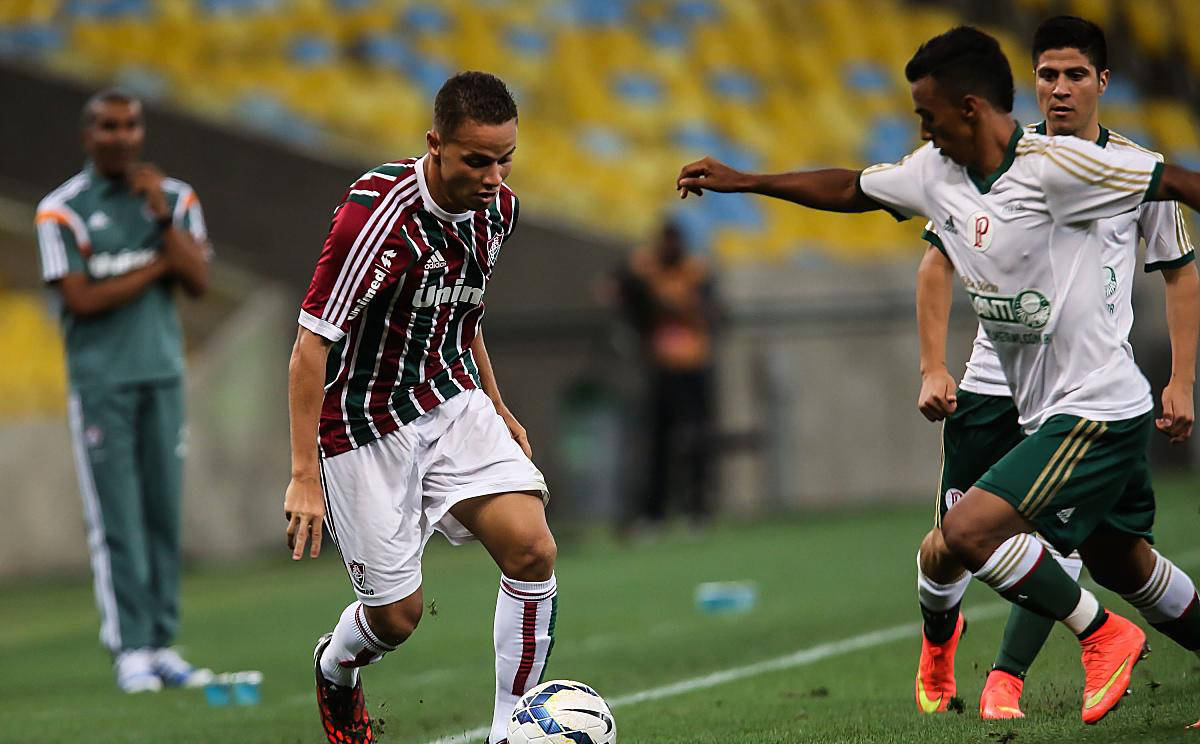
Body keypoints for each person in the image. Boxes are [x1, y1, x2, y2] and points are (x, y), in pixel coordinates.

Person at [676, 26, 1200, 726]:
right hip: (1018, 398)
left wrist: (1182, 379)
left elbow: (1177, 188)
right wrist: (747, 181)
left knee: (972, 532)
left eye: (929, 115)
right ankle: (963, 644)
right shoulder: (938, 171)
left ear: (971, 108)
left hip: (1097, 406)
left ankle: (1088, 643)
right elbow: (852, 187)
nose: (921, 129)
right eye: (1047, 74)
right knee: (1118, 562)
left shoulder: (1066, 168)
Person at [912, 16, 1198, 720]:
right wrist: (933, 366)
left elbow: (1180, 272)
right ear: (1031, 82)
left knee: (1109, 556)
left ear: (1103, 81)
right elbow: (936, 262)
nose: (1060, 88)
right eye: (1048, 75)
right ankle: (941, 644)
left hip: (1090, 392)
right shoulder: (991, 160)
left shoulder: (1136, 169)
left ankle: (1018, 675)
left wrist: (1181, 379)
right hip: (993, 388)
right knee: (949, 546)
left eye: (1076, 75)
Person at [284, 71, 557, 744]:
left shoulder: (499, 211)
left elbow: (464, 310)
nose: (493, 177)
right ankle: (336, 666)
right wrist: (303, 475)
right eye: (477, 160)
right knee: (396, 619)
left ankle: (509, 730)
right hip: (364, 424)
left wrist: (497, 403)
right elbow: (310, 346)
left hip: (450, 397)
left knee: (532, 550)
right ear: (435, 144)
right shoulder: (374, 214)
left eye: (505, 159)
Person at [35, 89, 213, 693]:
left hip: (162, 376)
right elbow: (81, 299)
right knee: (117, 519)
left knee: (163, 513)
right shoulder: (62, 210)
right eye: (108, 127)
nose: (121, 136)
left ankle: (162, 643)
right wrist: (159, 264)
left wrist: (161, 220)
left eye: (131, 125)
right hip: (102, 384)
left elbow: (199, 280)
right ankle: (130, 647)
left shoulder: (176, 199)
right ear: (88, 136)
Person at [617, 222, 716, 528]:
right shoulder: (647, 270)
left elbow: (706, 310)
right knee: (658, 441)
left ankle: (697, 509)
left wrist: (673, 302)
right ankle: (655, 512)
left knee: (697, 438)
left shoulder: (694, 271)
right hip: (660, 367)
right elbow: (625, 291)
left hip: (693, 365)